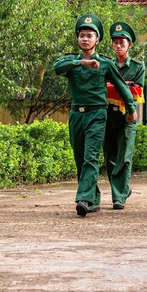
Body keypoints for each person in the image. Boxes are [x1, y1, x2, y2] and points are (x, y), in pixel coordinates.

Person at [54, 14, 137, 217]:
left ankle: (83, 198)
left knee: (91, 157)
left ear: (97, 40)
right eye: (82, 35)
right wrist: (81, 64)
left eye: (89, 35)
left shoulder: (106, 64)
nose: (85, 39)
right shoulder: (70, 61)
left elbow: (121, 87)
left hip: (97, 114)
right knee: (80, 159)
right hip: (76, 115)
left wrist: (131, 109)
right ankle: (93, 199)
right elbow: (57, 68)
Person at [103, 21, 145, 210]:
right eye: (115, 42)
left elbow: (136, 92)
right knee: (110, 156)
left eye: (122, 42)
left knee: (125, 156)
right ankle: (122, 188)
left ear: (130, 45)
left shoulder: (137, 67)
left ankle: (118, 197)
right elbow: (101, 89)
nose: (118, 46)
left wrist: (112, 88)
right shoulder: (106, 65)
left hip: (128, 116)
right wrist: (121, 87)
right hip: (108, 115)